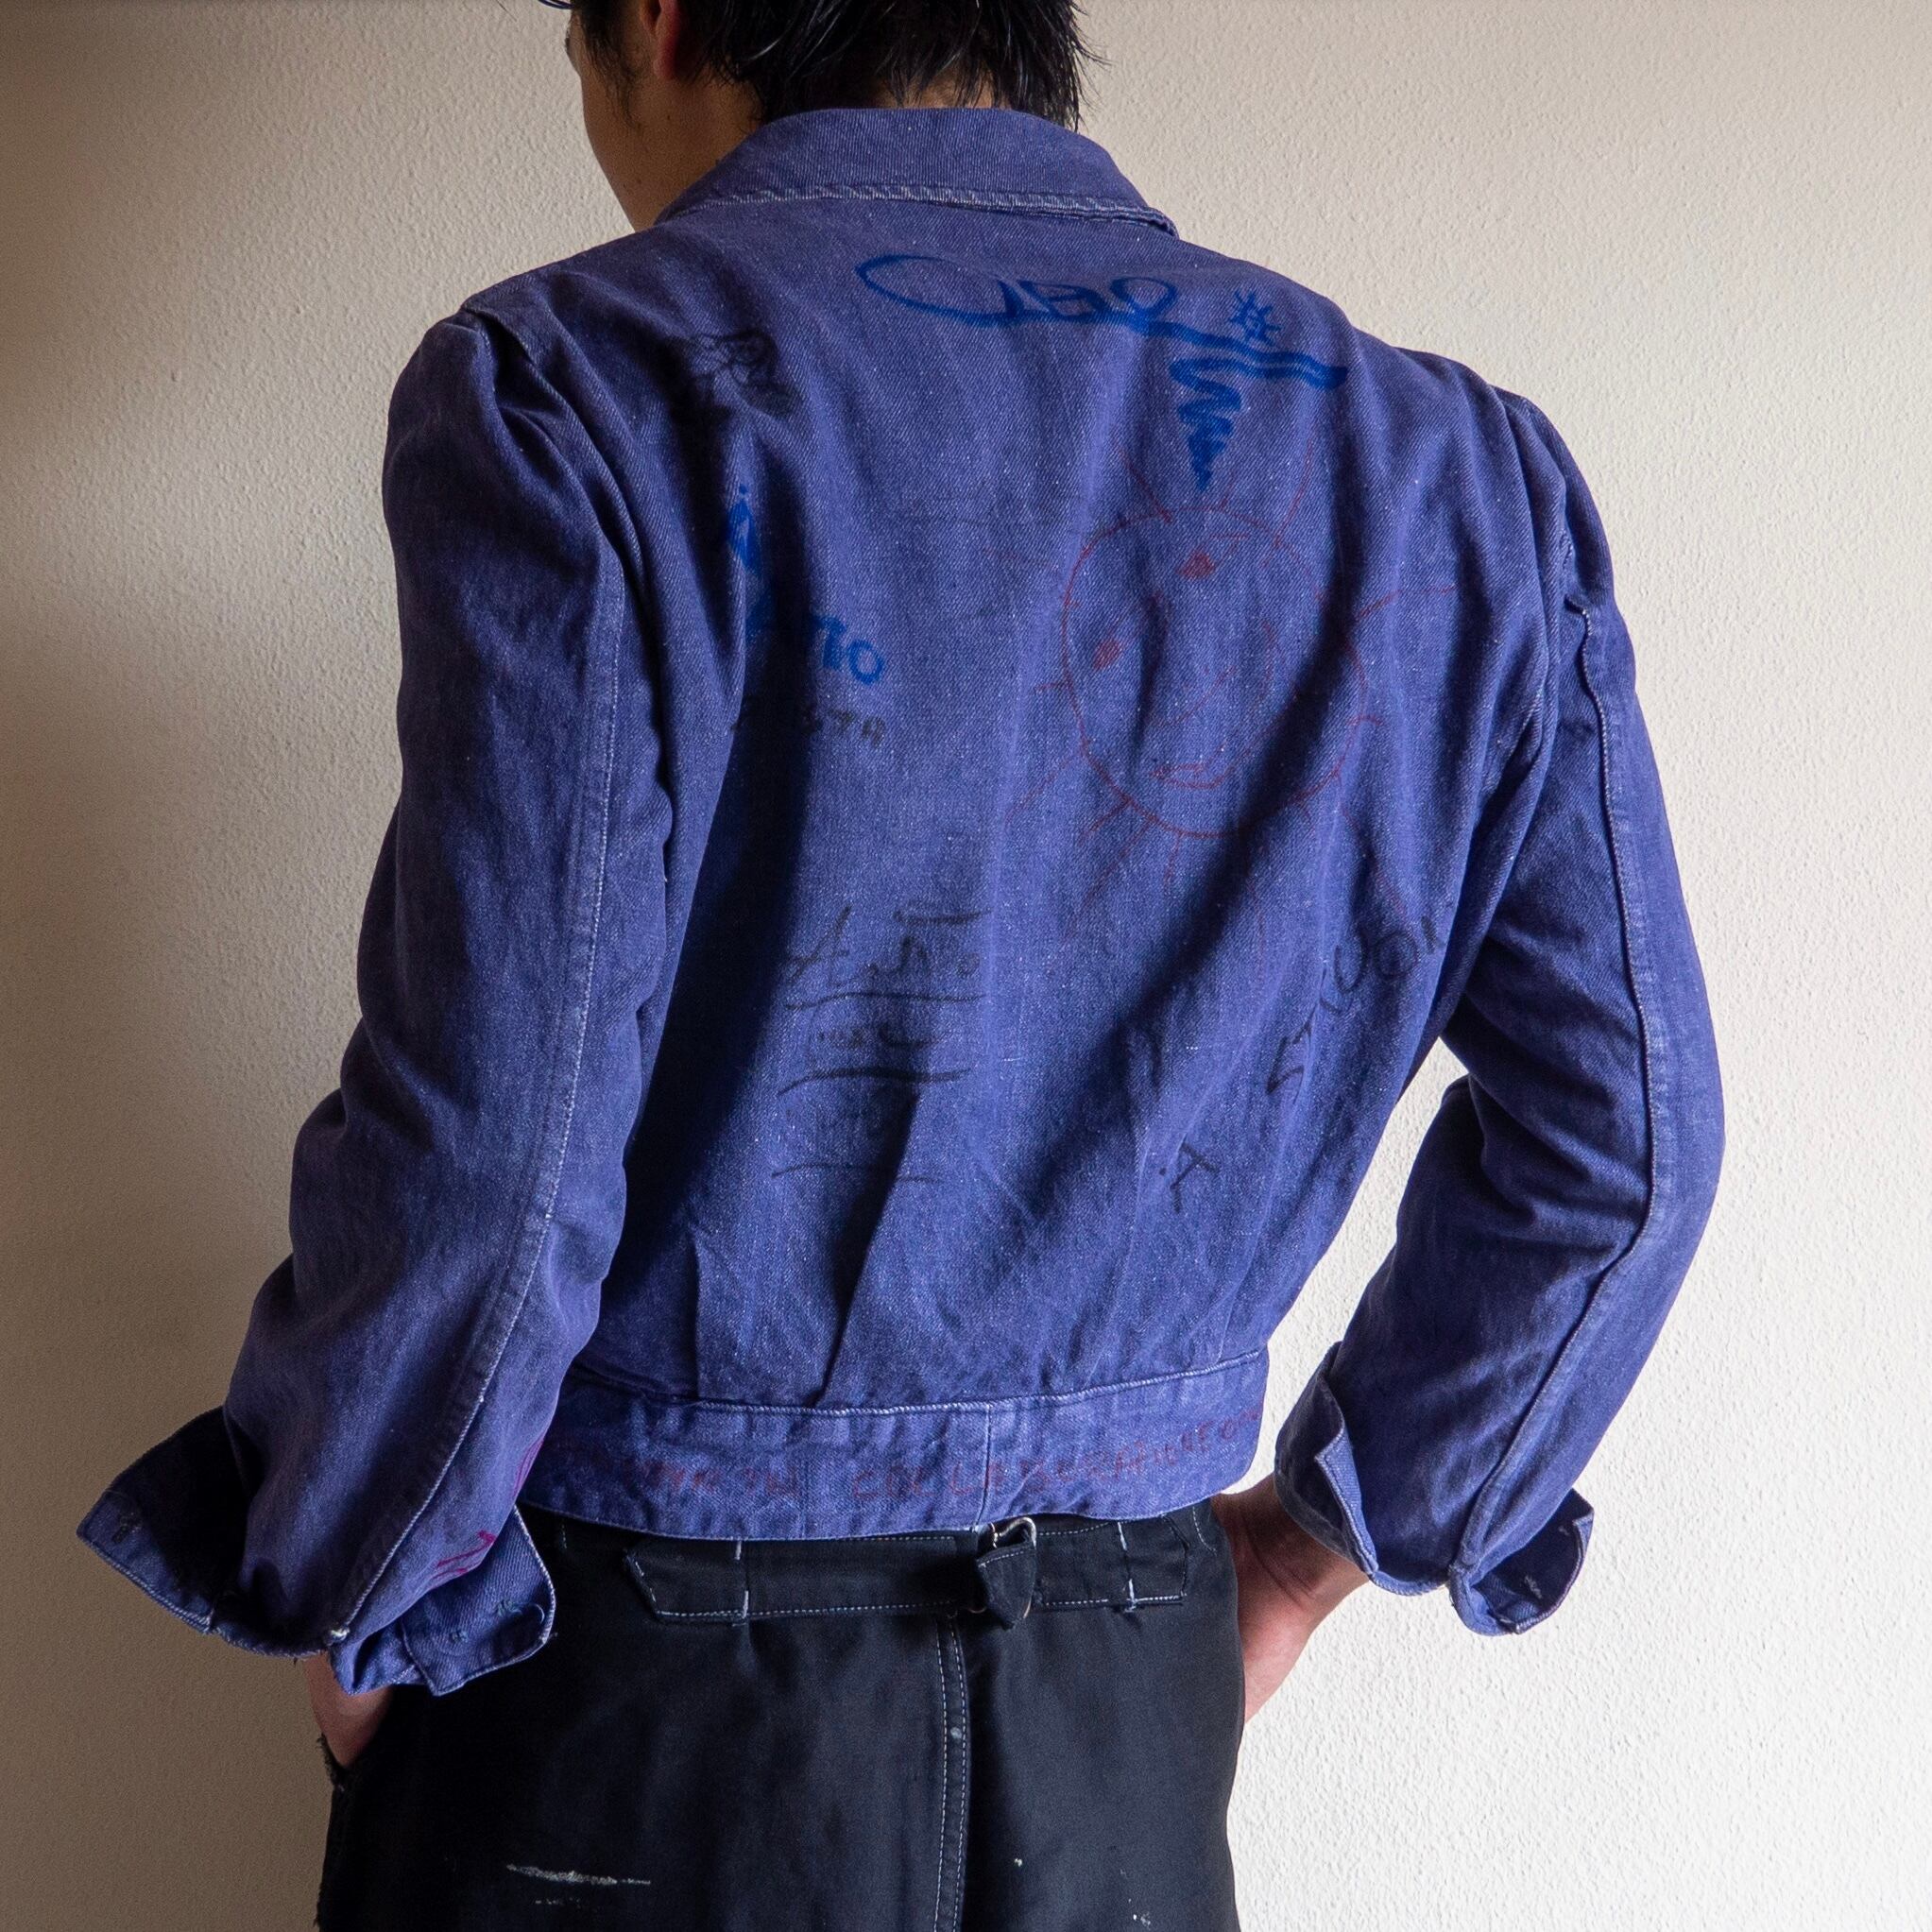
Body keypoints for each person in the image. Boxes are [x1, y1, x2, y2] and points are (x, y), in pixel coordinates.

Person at [76, 2, 1726, 1926]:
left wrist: (362, 1571)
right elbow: (1629, 1150)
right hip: (1122, 1707)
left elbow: (494, 1154)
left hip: (624, 1700)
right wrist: (1309, 1547)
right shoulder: (1455, 471)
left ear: (657, 21)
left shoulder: (577, 384)